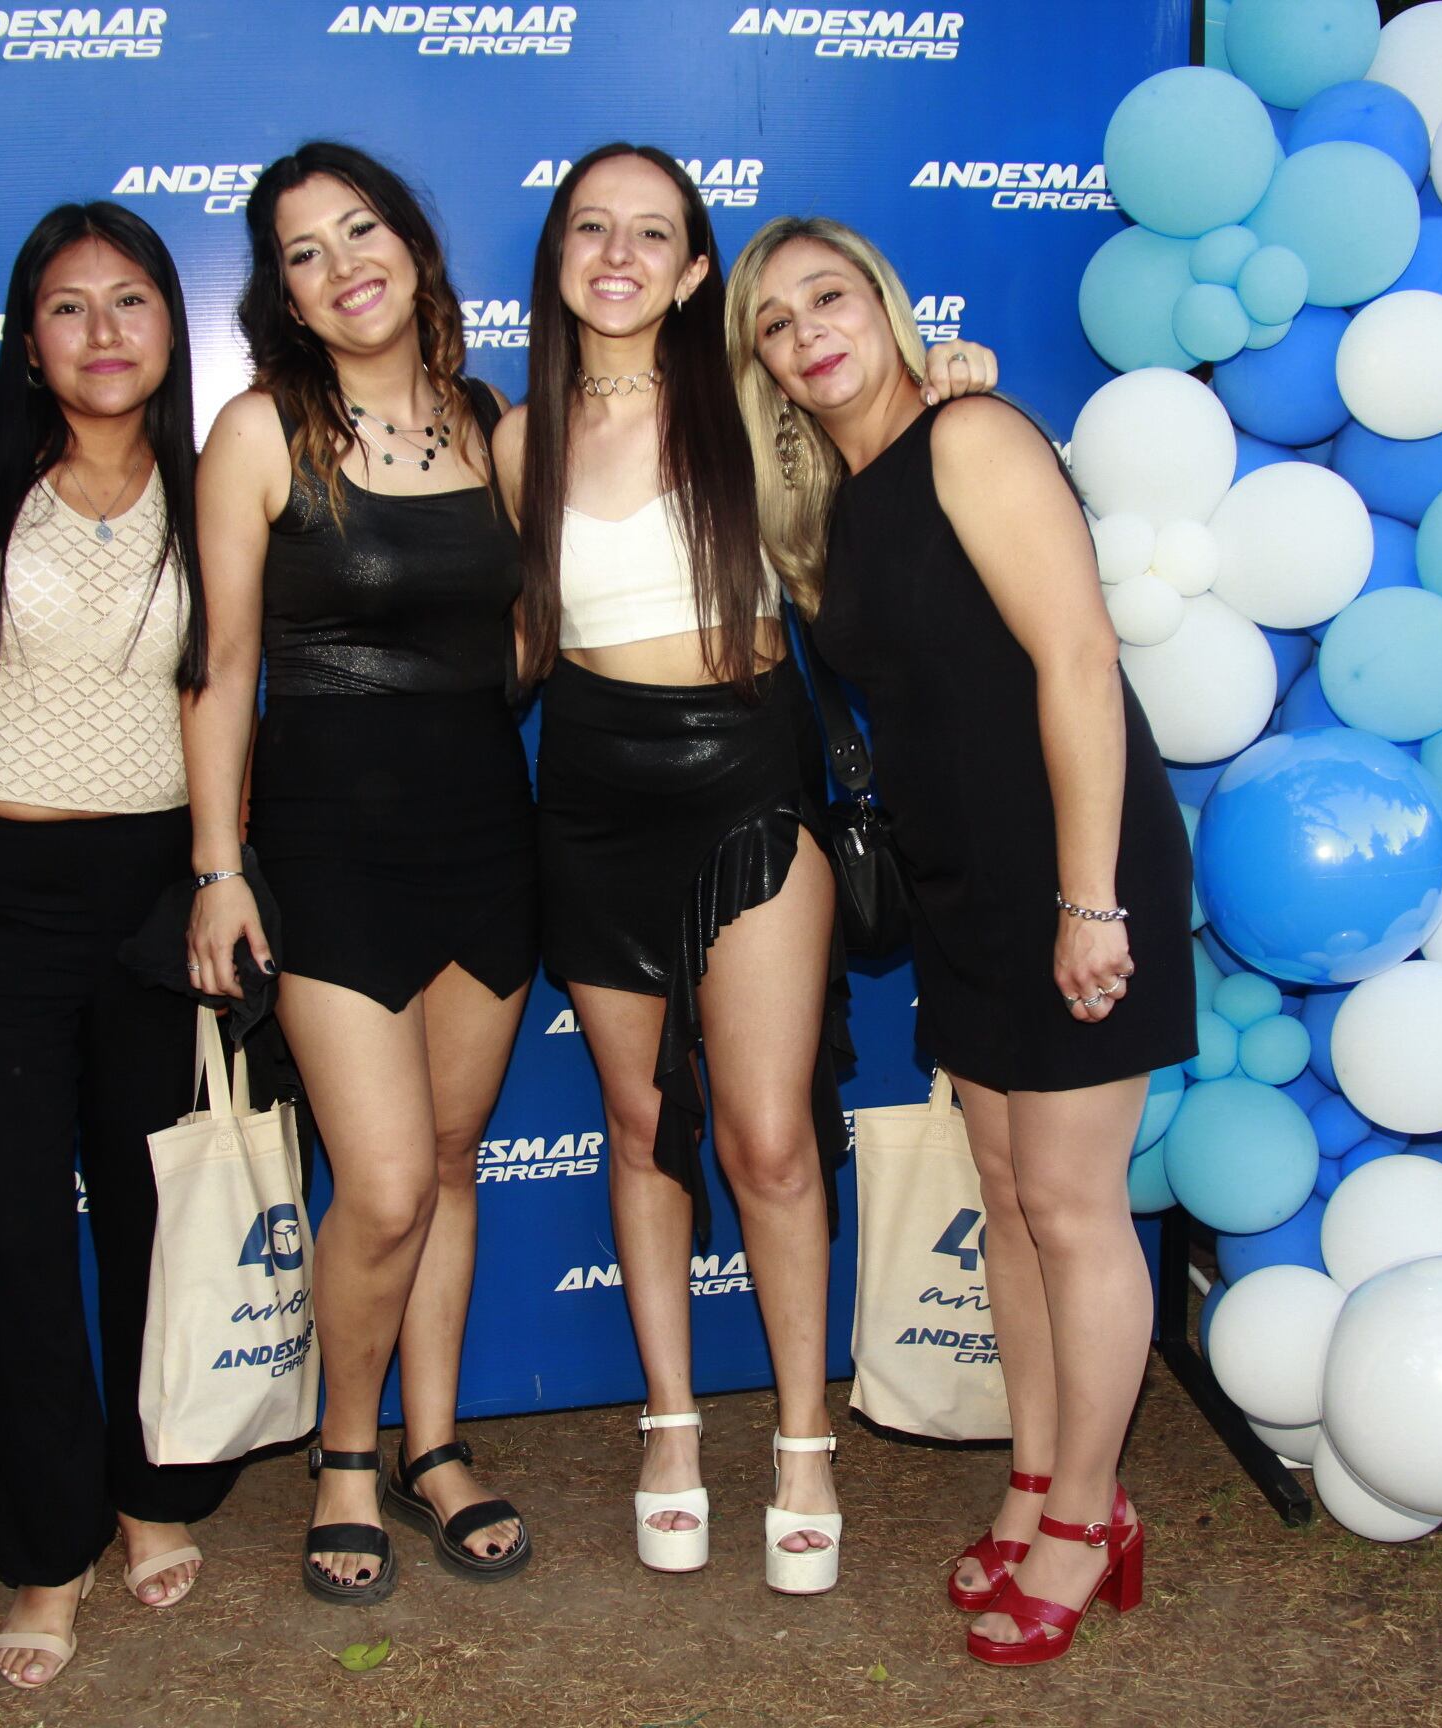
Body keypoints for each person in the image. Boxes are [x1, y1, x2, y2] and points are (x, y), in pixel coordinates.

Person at [493, 144, 994, 1595]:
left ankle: (798, 1438)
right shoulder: (516, 440)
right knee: (643, 1123)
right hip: (589, 794)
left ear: (697, 268)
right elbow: (508, 643)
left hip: (750, 783)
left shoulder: (757, 396)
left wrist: (946, 377)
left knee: (768, 1137)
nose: (620, 253)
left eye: (654, 232)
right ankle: (668, 1425)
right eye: (593, 227)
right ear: (560, 254)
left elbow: (884, 439)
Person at [730, 215, 1196, 1663]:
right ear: (767, 373)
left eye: (832, 296)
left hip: (1068, 865)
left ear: (885, 301)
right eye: (775, 323)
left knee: (1070, 1203)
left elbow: (1077, 660)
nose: (811, 330)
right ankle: (1040, 1478)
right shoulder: (844, 500)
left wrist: (1088, 897)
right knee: (1005, 1196)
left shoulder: (972, 435)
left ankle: (1093, 1516)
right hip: (959, 884)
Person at [0, 200, 235, 1689]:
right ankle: (44, 1548)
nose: (103, 332)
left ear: (167, 325)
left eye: (130, 301)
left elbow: (230, 696)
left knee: (154, 1217)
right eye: (68, 308)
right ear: (29, 338)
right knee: (10, 1239)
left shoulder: (214, 486)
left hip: (151, 898)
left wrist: (218, 876)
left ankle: (151, 1494)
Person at [184, 142, 532, 1605]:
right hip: (327, 844)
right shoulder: (261, 433)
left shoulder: (496, 425)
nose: (342, 263)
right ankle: (343, 1452)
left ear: (414, 246)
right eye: (304, 251)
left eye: (362, 229)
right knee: (382, 1182)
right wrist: (219, 868)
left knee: (450, 1166)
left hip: (484, 834)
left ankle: (433, 1445)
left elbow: (537, 638)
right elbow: (220, 668)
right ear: (287, 296)